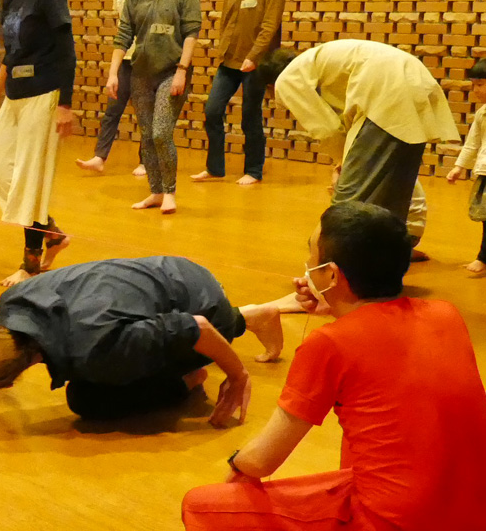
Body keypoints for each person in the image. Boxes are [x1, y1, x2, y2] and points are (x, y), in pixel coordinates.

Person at [182, 202, 486, 531]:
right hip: (473, 511)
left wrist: (236, 463)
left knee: (200, 505)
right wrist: (338, 308)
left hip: (392, 520)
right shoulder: (445, 313)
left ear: (330, 274)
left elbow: (260, 461)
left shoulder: (329, 344)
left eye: (311, 253)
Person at [0, 256, 286, 423]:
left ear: (12, 382)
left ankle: (194, 370)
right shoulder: (12, 302)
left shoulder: (96, 351)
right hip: (176, 269)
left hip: (204, 310)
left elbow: (197, 327)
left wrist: (238, 376)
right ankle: (249, 316)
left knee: (87, 399)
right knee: (123, 340)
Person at [262, 39, 459, 244]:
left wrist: (342, 164)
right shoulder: (317, 62)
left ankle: (329, 256)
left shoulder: (287, 79)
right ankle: (395, 249)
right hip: (416, 76)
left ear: (269, 85)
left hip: (386, 87)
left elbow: (327, 129)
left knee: (347, 200)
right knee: (394, 190)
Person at [0, 0, 77, 286]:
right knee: (2, 173)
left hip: (45, 92)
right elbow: (12, 51)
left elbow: (67, 51)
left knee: (30, 180)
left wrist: (66, 104)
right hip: (16, 92)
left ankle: (30, 265)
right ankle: (52, 234)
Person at [110, 0, 201, 214]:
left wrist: (182, 71)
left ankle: (170, 191)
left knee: (162, 132)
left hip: (171, 71)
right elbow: (123, 34)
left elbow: (191, 33)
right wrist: (113, 73)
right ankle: (155, 192)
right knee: (147, 134)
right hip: (141, 72)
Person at [192, 0, 286, 186]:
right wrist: (222, 49)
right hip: (230, 59)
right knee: (212, 110)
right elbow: (228, 18)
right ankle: (215, 168)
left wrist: (254, 56)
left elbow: (270, 26)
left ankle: (253, 170)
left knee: (249, 116)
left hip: (255, 62)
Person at [77, 0, 146, 177]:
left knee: (144, 112)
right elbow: (121, 22)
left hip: (146, 57)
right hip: (125, 54)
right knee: (113, 108)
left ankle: (145, 161)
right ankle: (99, 157)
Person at [445, 58, 486, 275]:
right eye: (473, 85)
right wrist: (459, 167)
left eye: (480, 84)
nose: (475, 90)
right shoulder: (482, 114)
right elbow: (472, 144)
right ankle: (483, 257)